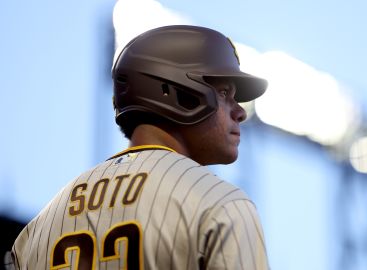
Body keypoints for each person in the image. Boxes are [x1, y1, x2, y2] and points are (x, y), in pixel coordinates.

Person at [7, 25, 269, 269]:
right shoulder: (221, 203)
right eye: (225, 94)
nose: (239, 112)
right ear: (179, 91)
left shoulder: (36, 230)